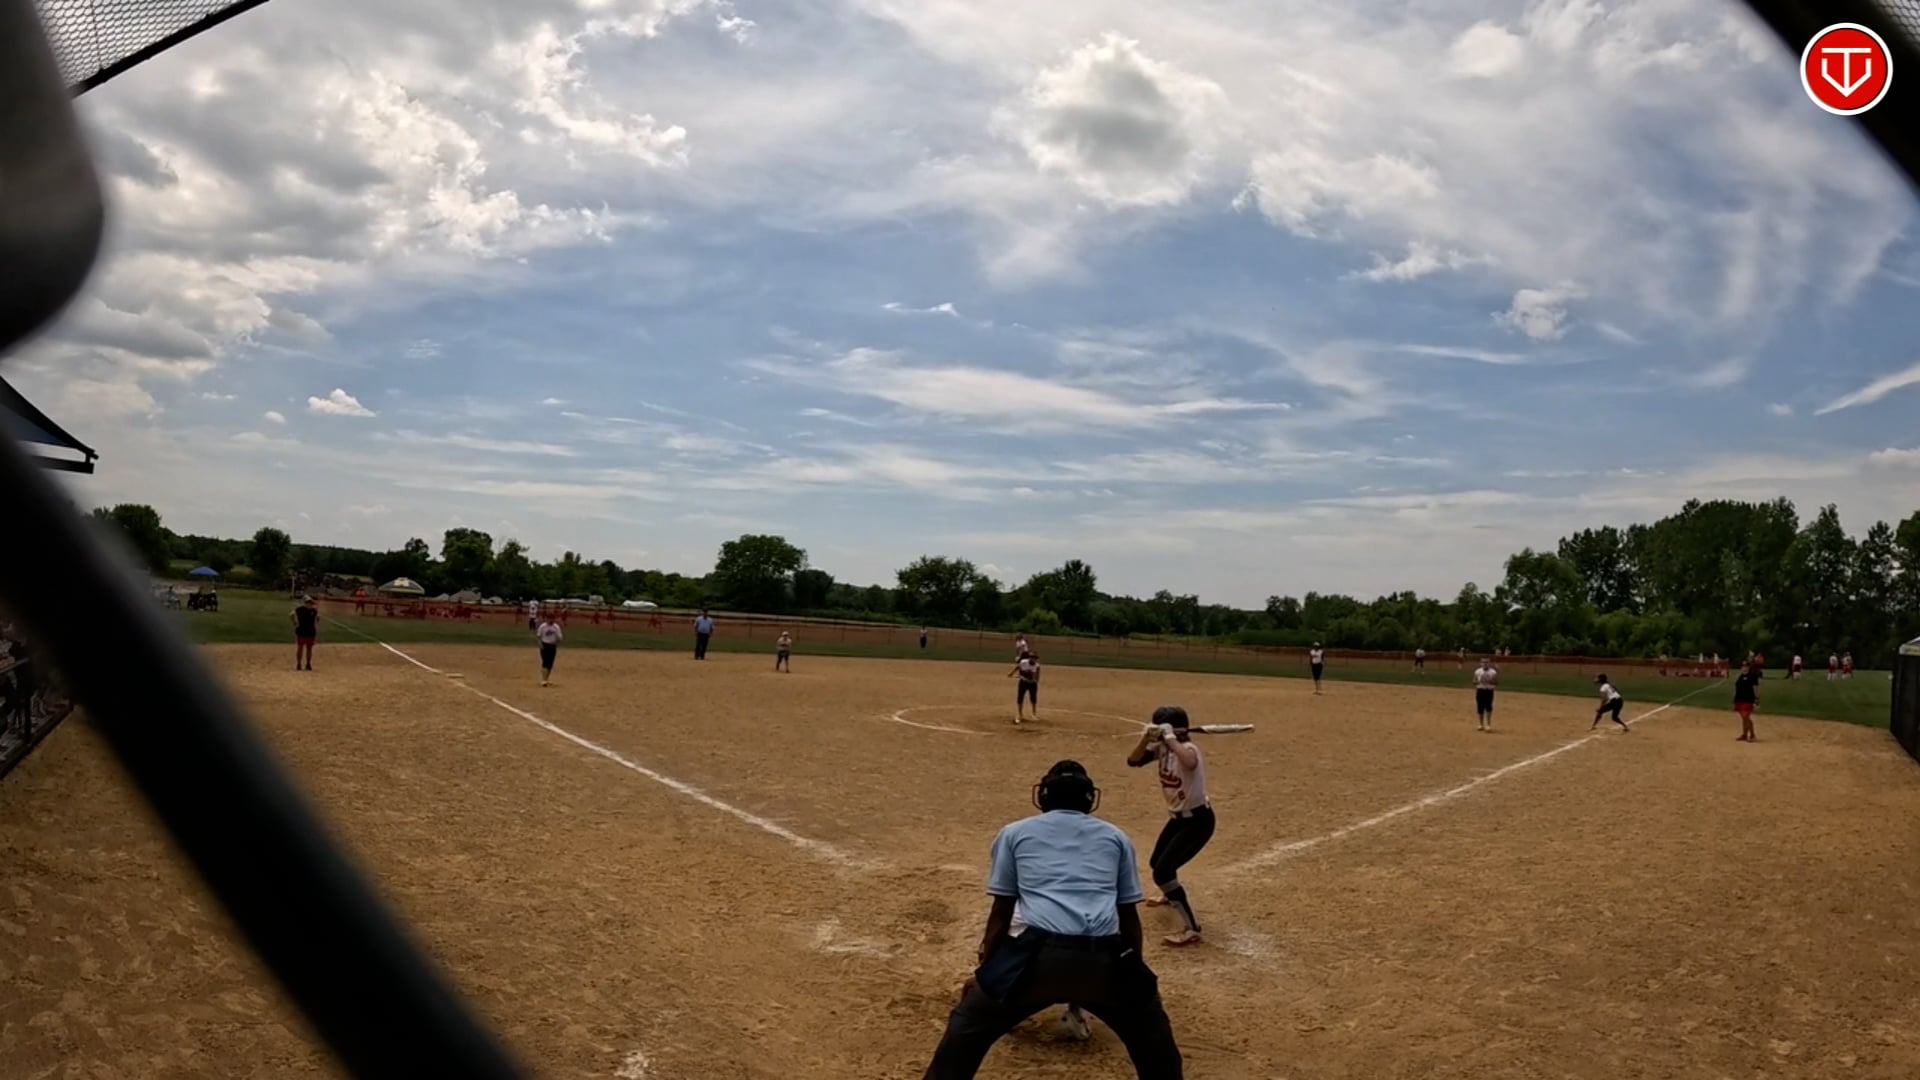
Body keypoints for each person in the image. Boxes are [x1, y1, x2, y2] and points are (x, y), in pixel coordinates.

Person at [920, 760, 1183, 1079]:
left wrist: (988, 973)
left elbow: (1002, 912)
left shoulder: (1015, 832)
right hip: (1102, 959)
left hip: (1037, 959)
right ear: (1090, 798)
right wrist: (1132, 975)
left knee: (963, 1035)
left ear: (1043, 796)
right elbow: (1128, 915)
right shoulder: (1116, 837)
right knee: (1158, 1049)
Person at [1127, 706, 1215, 948]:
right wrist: (1146, 738)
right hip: (1178, 819)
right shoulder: (1163, 749)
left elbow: (1190, 762)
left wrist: (1169, 737)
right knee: (1157, 862)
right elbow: (1133, 761)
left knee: (1163, 872)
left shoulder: (1187, 749)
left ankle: (1192, 928)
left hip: (1198, 821)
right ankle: (1169, 894)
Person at [1008, 649, 1040, 725]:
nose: (1033, 659)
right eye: (1032, 657)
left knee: (1033, 698)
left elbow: (1037, 677)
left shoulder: (1037, 666)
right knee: (1020, 698)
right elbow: (1018, 667)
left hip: (1032, 684)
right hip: (1023, 682)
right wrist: (1012, 673)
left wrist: (1034, 679)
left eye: (1035, 658)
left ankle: (1034, 714)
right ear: (1029, 657)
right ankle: (1020, 714)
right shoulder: (1023, 662)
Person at [1733, 660, 1759, 742]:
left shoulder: (1752, 676)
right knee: (1744, 718)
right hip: (1739, 699)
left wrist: (1756, 700)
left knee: (1745, 717)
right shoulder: (1739, 676)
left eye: (1746, 666)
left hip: (1748, 699)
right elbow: (1736, 688)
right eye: (1743, 666)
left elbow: (1755, 688)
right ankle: (1744, 734)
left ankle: (1752, 735)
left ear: (1749, 667)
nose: (1744, 668)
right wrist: (1734, 699)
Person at [290, 595, 318, 671]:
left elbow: (291, 614)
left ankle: (306, 664)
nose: (310, 604)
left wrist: (294, 622)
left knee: (307, 648)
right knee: (302, 648)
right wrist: (295, 622)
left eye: (310, 603)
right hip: (304, 631)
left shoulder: (300, 609)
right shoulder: (312, 611)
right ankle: (300, 664)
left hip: (308, 631)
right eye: (309, 602)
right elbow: (317, 619)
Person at [1472, 657, 1498, 732]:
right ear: (1481, 663)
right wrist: (1479, 681)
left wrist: (1489, 681)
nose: (1485, 664)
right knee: (1480, 707)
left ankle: (1488, 725)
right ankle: (1480, 724)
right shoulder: (1477, 671)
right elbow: (1473, 681)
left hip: (1489, 691)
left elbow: (1496, 682)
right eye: (1483, 662)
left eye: (1486, 662)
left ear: (1489, 663)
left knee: (1488, 707)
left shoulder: (1493, 672)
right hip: (1480, 690)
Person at [537, 612, 563, 686]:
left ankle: (546, 679)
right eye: (549, 618)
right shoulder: (542, 626)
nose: (550, 620)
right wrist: (540, 644)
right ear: (546, 619)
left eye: (552, 619)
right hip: (544, 645)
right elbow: (539, 636)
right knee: (545, 662)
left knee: (550, 664)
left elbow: (559, 637)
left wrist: (556, 643)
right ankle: (543, 680)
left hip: (552, 646)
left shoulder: (556, 627)